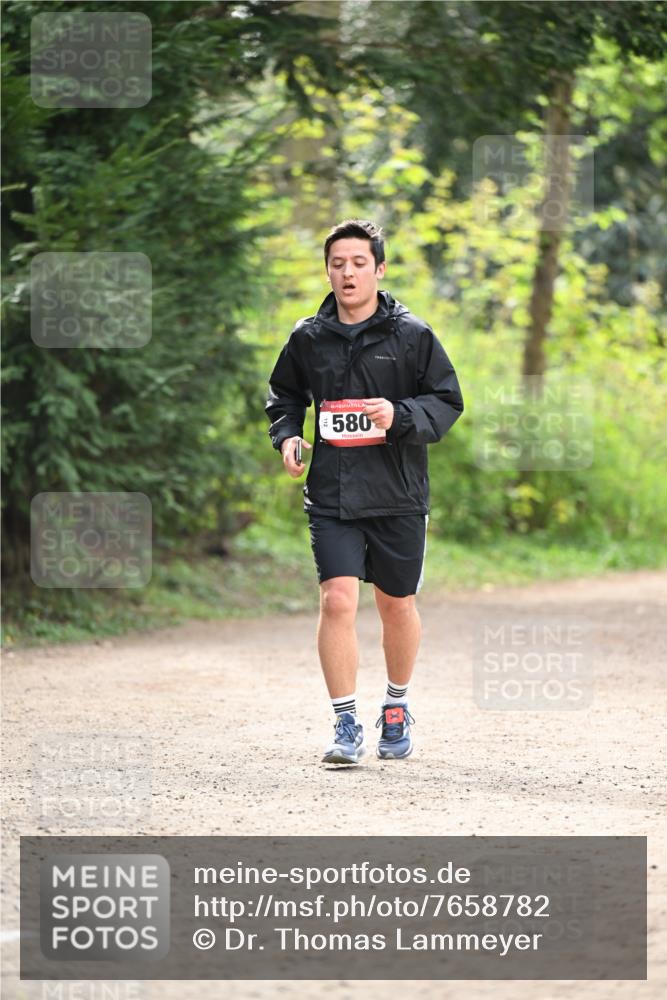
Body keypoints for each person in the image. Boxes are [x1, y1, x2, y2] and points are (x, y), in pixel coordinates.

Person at [265, 219, 464, 765]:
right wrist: (286, 436)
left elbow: (447, 401)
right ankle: (345, 722)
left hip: (398, 492)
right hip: (332, 494)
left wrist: (399, 413)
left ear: (379, 269)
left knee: (396, 604)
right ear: (327, 271)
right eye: (337, 264)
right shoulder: (308, 337)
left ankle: (395, 708)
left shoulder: (412, 335)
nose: (347, 273)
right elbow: (283, 394)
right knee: (337, 599)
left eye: (358, 263)